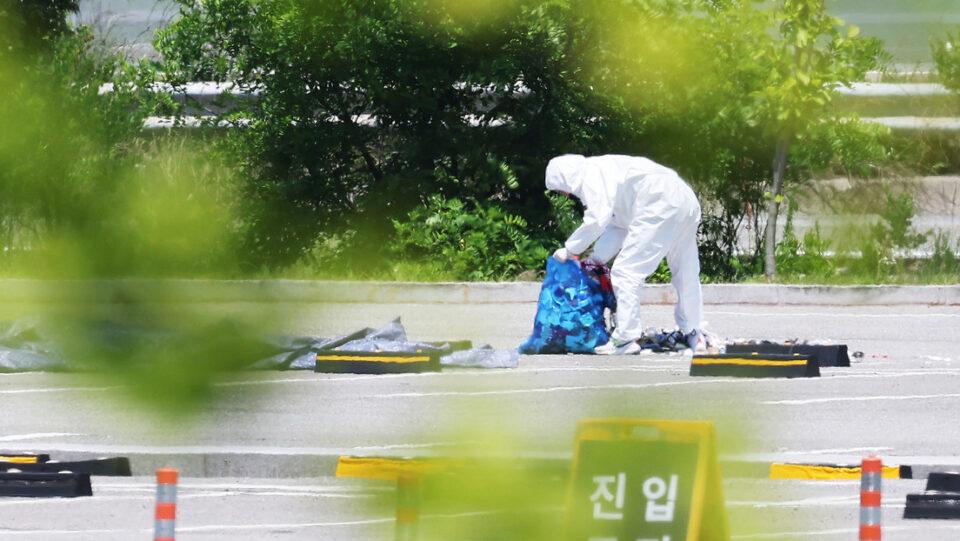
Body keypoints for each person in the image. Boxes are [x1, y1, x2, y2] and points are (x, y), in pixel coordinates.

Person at [544, 154, 707, 355]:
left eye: (560, 189)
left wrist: (569, 250)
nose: (565, 194)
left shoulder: (590, 176)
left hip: (659, 202)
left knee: (625, 273)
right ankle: (693, 332)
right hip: (685, 200)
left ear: (565, 178)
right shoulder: (609, 171)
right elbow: (618, 227)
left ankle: (626, 339)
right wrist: (596, 260)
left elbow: (597, 219)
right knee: (685, 271)